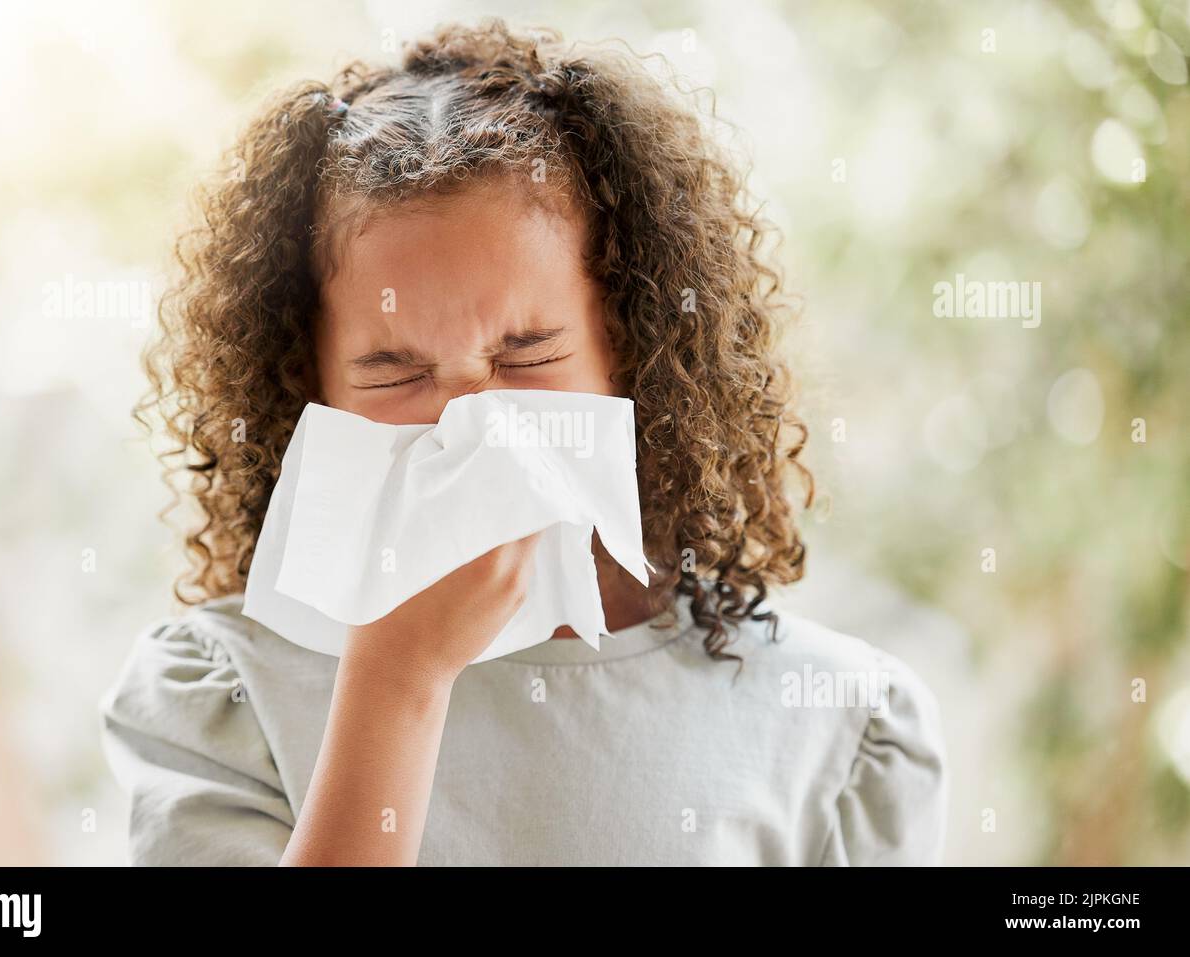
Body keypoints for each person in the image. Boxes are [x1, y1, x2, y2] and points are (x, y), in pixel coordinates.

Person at [99, 19, 946, 866]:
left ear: (631, 349)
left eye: (527, 353)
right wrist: (398, 682)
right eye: (396, 372)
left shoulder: (831, 722)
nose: (471, 422)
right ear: (305, 386)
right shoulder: (223, 694)